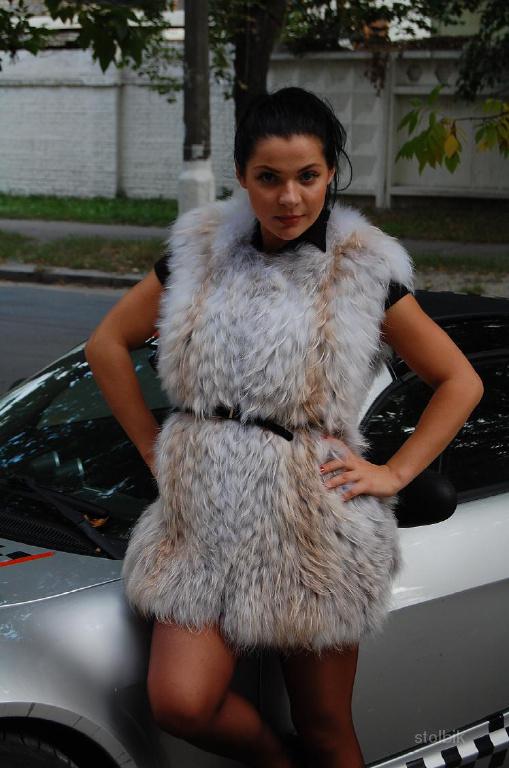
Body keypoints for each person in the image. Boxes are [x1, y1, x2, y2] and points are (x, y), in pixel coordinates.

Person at [85, 87, 484, 768]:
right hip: (200, 516)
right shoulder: (200, 252)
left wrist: (393, 473)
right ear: (242, 176)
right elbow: (106, 345)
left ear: (330, 175)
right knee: (180, 702)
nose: (289, 197)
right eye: (269, 177)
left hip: (312, 520)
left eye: (308, 176)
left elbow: (459, 381)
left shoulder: (361, 269)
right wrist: (157, 450)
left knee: (325, 727)